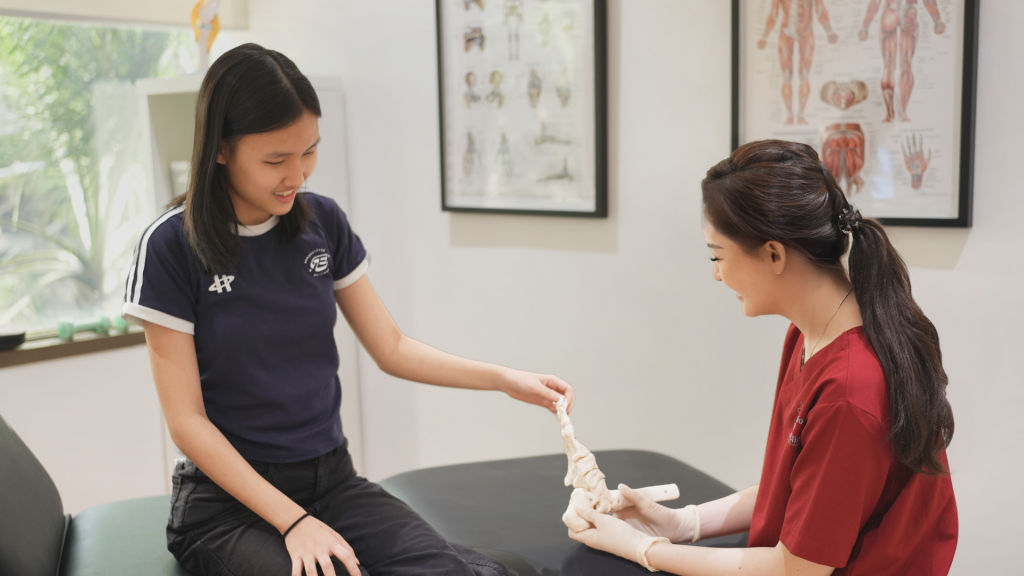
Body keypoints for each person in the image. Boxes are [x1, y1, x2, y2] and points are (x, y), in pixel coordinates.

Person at [121, 43, 574, 576]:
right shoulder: (172, 245)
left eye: (309, 151)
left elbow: (393, 348)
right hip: (227, 508)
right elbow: (187, 423)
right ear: (220, 149)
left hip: (332, 482)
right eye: (275, 160)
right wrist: (292, 522)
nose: (298, 175)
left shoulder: (321, 223)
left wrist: (503, 378)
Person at [560, 140, 957, 576]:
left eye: (718, 255)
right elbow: (802, 492)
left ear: (773, 254)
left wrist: (644, 549)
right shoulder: (810, 334)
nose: (716, 273)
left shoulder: (851, 388)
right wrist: (684, 522)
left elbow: (799, 568)